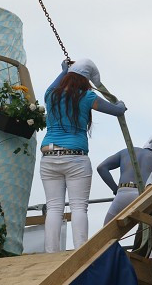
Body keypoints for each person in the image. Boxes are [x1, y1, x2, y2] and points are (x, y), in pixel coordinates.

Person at [39, 58, 127, 253]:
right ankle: (80, 251)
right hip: (76, 157)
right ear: (86, 80)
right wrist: (120, 103)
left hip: (49, 156)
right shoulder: (86, 97)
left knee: (54, 207)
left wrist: (63, 70)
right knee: (79, 207)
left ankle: (50, 253)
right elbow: (117, 110)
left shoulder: (50, 94)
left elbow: (57, 81)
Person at [97, 133, 152, 225]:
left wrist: (115, 189)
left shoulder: (127, 151)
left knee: (106, 233)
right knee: (146, 229)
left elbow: (101, 168)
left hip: (123, 193)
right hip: (144, 195)